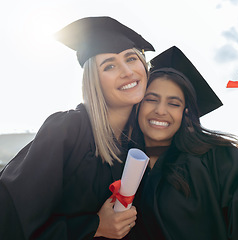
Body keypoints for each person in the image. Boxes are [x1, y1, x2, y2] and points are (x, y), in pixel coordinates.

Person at [0, 16, 154, 240]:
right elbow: (10, 216)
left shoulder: (141, 141)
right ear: (94, 80)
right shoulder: (67, 130)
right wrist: (95, 226)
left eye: (131, 58)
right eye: (109, 65)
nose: (127, 71)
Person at [131, 46, 238, 239]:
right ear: (137, 105)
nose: (160, 110)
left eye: (173, 103)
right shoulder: (119, 167)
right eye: (151, 99)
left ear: (185, 113)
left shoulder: (215, 157)